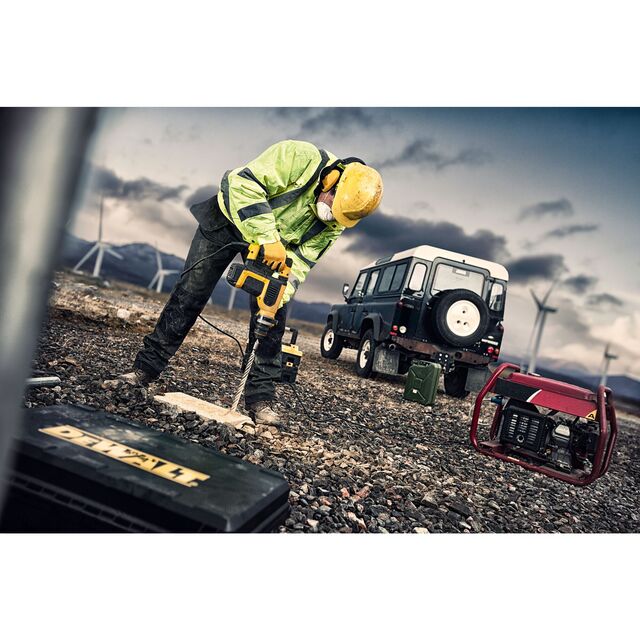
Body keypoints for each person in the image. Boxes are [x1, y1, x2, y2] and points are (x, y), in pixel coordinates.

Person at [122, 139, 383, 425]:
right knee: (189, 294)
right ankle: (144, 370)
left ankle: (261, 399)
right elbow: (241, 183)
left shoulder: (337, 221)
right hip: (229, 221)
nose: (331, 214)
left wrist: (278, 296)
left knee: (272, 318)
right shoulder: (300, 157)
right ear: (332, 181)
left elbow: (302, 261)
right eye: (333, 205)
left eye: (339, 215)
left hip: (273, 248)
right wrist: (268, 238)